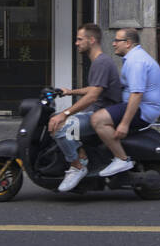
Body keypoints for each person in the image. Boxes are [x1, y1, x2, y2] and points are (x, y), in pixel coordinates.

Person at [48, 24, 122, 192]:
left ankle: (77, 166)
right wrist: (70, 92)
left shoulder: (101, 63)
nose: (76, 43)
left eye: (80, 39)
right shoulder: (99, 62)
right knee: (59, 118)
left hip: (101, 115)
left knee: (58, 126)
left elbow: (93, 95)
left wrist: (65, 114)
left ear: (92, 40)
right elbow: (95, 88)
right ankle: (81, 153)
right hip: (96, 112)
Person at [91, 28, 160, 177]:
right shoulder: (135, 58)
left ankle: (121, 158)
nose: (113, 44)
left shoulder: (136, 61)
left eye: (117, 40)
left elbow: (136, 94)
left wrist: (124, 123)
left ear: (128, 43)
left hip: (143, 110)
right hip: (140, 107)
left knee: (98, 119)